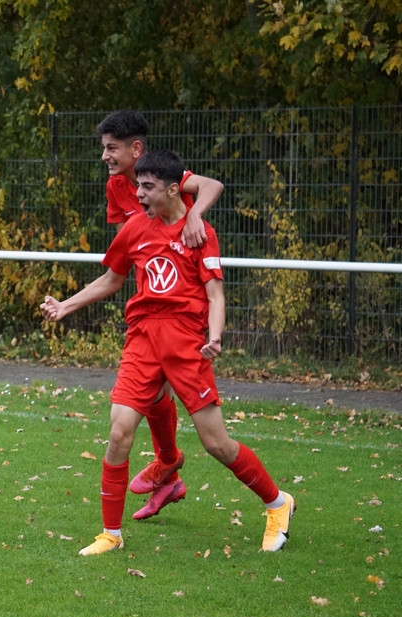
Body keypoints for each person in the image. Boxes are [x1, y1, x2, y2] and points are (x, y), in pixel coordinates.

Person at [40, 149, 295, 556]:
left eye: (148, 187)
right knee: (120, 429)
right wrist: (66, 306)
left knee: (217, 444)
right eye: (138, 185)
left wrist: (215, 336)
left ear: (175, 189)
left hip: (186, 343)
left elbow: (215, 294)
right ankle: (111, 534)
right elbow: (111, 279)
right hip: (142, 339)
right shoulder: (135, 229)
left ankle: (278, 504)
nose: (139, 194)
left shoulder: (200, 233)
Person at [97, 110, 225, 519]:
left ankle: (168, 466)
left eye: (111, 148)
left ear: (137, 149)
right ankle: (167, 473)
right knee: (146, 397)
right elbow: (133, 242)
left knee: (208, 434)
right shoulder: (118, 186)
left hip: (182, 304)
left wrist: (193, 214)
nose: (105, 156)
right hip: (151, 303)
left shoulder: (170, 178)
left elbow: (211, 185)